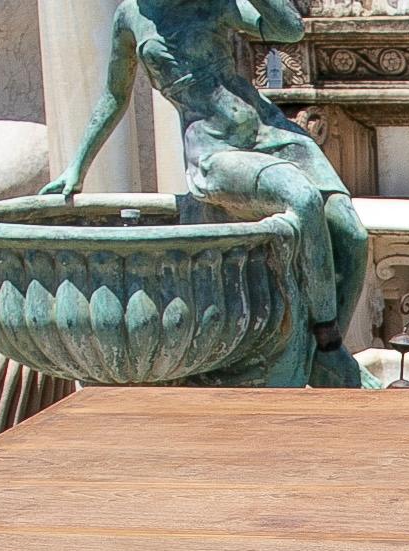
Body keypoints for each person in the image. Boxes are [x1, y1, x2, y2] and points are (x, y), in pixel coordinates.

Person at [46, 0, 368, 387]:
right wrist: (77, 167)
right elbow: (114, 97)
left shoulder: (214, 2)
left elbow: (289, 30)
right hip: (214, 152)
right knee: (301, 199)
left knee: (352, 235)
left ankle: (323, 356)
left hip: (272, 132)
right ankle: (329, 346)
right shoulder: (130, 16)